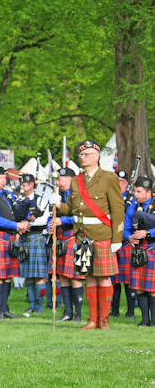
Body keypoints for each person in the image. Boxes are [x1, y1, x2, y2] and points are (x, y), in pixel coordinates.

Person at [55, 140, 124, 330]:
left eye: (86, 155)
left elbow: (118, 209)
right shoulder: (77, 180)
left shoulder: (109, 178)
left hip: (103, 234)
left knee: (104, 277)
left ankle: (104, 319)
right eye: (81, 155)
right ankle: (92, 319)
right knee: (90, 277)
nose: (82, 157)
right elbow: (71, 209)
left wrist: (117, 239)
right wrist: (59, 205)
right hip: (82, 236)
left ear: (96, 156)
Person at [0, 167, 30, 319]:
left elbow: (13, 213)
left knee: (8, 276)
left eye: (4, 178)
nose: (3, 180)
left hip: (9, 238)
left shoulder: (7, 195)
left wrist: (22, 222)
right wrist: (17, 226)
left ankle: (5, 309)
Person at [48, 167, 85, 321]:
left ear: (70, 180)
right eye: (58, 179)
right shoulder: (59, 195)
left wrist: (61, 220)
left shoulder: (77, 195)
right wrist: (49, 226)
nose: (58, 182)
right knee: (63, 276)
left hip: (74, 237)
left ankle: (78, 314)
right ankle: (67, 312)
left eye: (61, 179)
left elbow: (80, 216)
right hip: (62, 238)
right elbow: (51, 216)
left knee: (75, 277)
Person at [14, 174, 50, 315]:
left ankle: (40, 306)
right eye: (23, 185)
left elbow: (45, 219)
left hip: (36, 237)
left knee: (40, 275)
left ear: (32, 185)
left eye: (27, 184)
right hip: (24, 238)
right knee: (28, 274)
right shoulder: (19, 200)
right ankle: (32, 304)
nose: (24, 187)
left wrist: (28, 223)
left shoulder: (41, 199)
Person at [124, 176, 154, 326]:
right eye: (135, 191)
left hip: (153, 247)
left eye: (139, 191)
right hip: (138, 250)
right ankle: (144, 320)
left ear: (148, 192)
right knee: (140, 287)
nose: (135, 194)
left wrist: (148, 233)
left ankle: (154, 320)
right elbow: (125, 227)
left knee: (153, 288)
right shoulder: (132, 207)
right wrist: (129, 237)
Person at [111, 169, 136, 318]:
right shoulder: (108, 199)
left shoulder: (132, 200)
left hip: (126, 242)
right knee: (114, 279)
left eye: (121, 182)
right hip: (112, 240)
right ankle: (114, 310)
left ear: (127, 184)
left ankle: (131, 311)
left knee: (128, 280)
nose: (118, 184)